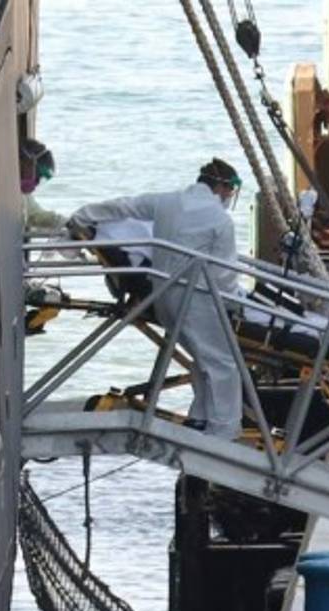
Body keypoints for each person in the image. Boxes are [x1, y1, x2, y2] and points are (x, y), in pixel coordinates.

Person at [70, 158, 245, 438]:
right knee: (223, 365)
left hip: (162, 296)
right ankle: (224, 431)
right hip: (196, 300)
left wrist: (82, 216)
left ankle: (200, 417)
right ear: (222, 188)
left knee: (201, 357)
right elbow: (224, 274)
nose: (229, 197)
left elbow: (124, 206)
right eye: (230, 191)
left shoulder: (167, 202)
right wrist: (236, 303)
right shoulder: (220, 220)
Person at [20, 138, 66, 234]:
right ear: (27, 162)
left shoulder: (24, 196)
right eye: (38, 175)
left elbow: (35, 215)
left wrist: (67, 223)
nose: (36, 183)